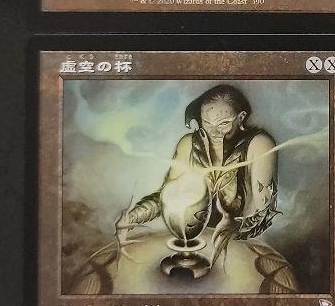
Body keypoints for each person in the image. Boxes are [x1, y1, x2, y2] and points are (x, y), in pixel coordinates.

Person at [115, 84, 280, 270]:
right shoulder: (189, 144)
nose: (213, 132)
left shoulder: (259, 145)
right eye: (207, 123)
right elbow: (168, 197)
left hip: (241, 249)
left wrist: (236, 226)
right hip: (196, 246)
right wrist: (134, 216)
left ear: (241, 117)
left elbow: (264, 211)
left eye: (223, 123)